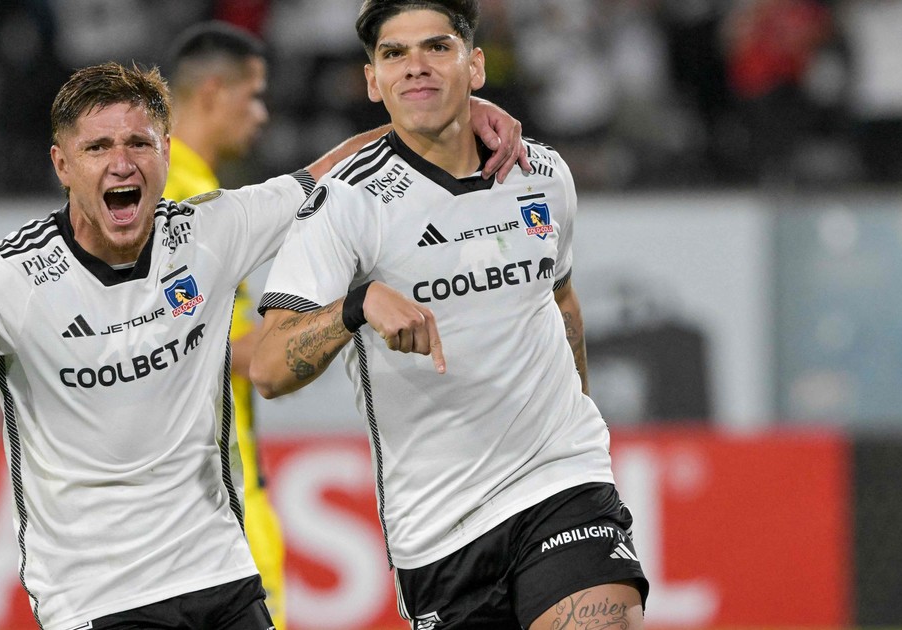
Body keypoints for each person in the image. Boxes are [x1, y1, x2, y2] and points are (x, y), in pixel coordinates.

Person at [0, 60, 527, 630]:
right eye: (98, 148)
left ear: (167, 151)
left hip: (219, 570)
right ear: (62, 164)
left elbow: (327, 175)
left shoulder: (208, 232)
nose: (121, 164)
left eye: (139, 144)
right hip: (95, 595)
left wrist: (453, 119)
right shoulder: (8, 277)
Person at [249, 2, 649, 629]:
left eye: (437, 47)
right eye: (394, 54)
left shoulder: (542, 174)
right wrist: (355, 307)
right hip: (439, 532)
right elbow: (270, 367)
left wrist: (581, 436)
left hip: (561, 484)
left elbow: (561, 300)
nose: (415, 66)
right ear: (372, 81)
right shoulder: (344, 205)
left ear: (476, 66)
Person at [163, 21, 287, 629]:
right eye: (253, 95)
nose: (261, 115)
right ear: (213, 91)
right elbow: (219, 349)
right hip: (218, 501)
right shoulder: (183, 198)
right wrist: (348, 308)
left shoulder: (185, 187)